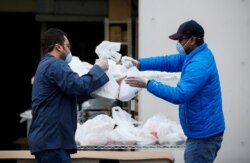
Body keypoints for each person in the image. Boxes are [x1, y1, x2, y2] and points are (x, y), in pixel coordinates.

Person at [124, 20, 225, 163]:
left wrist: (148, 84)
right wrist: (140, 63)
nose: (177, 42)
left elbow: (180, 95)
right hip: (202, 131)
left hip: (204, 137)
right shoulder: (195, 54)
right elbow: (168, 62)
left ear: (192, 40)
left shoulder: (199, 64)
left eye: (180, 39)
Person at [28, 28, 109, 163]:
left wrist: (107, 83)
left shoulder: (46, 65)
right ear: (58, 47)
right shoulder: (55, 65)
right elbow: (80, 86)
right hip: (52, 142)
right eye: (68, 46)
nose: (69, 50)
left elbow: (75, 91)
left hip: (50, 141)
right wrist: (98, 68)